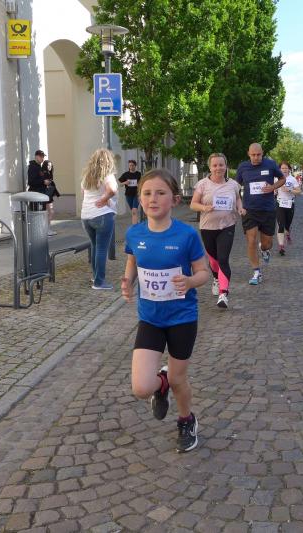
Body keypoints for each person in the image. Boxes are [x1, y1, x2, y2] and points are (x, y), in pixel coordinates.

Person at [121, 168, 210, 453]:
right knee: (140, 388)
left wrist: (190, 281)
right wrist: (127, 282)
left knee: (178, 379)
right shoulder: (134, 233)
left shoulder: (186, 235)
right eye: (147, 193)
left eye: (160, 193)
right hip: (150, 318)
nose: (153, 199)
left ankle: (186, 420)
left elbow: (203, 272)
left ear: (174, 199)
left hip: (182, 318)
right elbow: (133, 263)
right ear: (140, 199)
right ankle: (160, 385)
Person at [190, 153, 245, 308]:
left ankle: (223, 293)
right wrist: (204, 208)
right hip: (207, 227)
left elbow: (238, 198)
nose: (218, 168)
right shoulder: (202, 184)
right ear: (210, 167)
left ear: (226, 166)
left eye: (221, 165)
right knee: (214, 261)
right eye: (215, 165)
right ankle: (216, 278)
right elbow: (193, 204)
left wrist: (240, 208)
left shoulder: (233, 184)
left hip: (227, 225)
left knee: (223, 259)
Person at [235, 143, 285, 285]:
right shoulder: (243, 167)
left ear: (262, 153)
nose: (256, 157)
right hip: (249, 210)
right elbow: (235, 187)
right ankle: (256, 272)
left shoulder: (270, 164)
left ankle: (264, 250)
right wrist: (239, 205)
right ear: (248, 154)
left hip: (267, 209)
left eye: (259, 155)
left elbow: (282, 179)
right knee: (251, 241)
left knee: (267, 243)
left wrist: (272, 187)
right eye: (253, 155)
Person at [80, 148, 118, 289]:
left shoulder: (86, 176)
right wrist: (103, 199)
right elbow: (112, 190)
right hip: (102, 215)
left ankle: (95, 276)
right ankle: (99, 282)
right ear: (108, 160)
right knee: (102, 249)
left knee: (95, 246)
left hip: (86, 216)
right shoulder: (107, 174)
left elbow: (83, 194)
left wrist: (99, 199)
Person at [27, 149, 59, 236]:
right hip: (37, 194)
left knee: (48, 212)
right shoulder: (33, 167)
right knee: (42, 213)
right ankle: (43, 230)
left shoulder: (39, 167)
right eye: (41, 156)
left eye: (43, 156)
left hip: (42, 193)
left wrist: (47, 181)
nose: (42, 158)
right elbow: (31, 182)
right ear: (36, 156)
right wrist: (43, 182)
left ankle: (46, 230)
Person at [275, 161, 300, 256]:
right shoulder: (276, 179)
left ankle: (288, 232)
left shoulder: (292, 179)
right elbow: (273, 190)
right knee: (280, 225)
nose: (284, 170)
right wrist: (274, 191)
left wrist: (289, 190)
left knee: (287, 225)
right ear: (279, 169)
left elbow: (299, 192)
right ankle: (281, 246)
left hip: (290, 204)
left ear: (289, 169)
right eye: (282, 168)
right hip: (280, 203)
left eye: (286, 168)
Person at [118, 159, 142, 225]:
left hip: (137, 194)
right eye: (130, 165)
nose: (131, 167)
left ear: (135, 166)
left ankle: (135, 225)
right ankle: (136, 221)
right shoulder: (126, 174)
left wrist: (139, 184)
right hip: (128, 194)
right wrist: (125, 182)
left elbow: (142, 182)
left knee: (134, 209)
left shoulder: (138, 174)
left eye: (132, 165)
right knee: (133, 210)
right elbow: (120, 184)